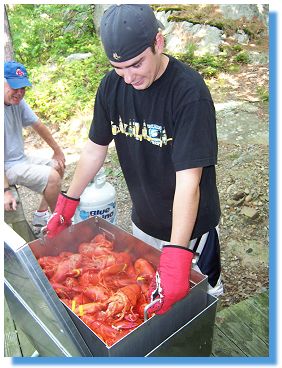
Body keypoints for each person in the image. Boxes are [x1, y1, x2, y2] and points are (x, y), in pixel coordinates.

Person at [47, 4, 223, 314]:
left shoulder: (189, 93)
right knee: (146, 305)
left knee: (201, 303)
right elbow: (93, 149)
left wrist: (177, 254)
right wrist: (68, 202)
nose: (128, 78)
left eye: (137, 64)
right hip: (144, 224)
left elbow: (189, 182)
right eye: (119, 68)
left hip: (191, 232)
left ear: (158, 43)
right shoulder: (111, 87)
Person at [4, 61, 66, 236]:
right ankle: (60, 226)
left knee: (57, 165)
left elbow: (37, 124)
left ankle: (41, 216)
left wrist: (58, 150)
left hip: (19, 159)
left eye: (23, 87)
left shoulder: (17, 103)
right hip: (6, 166)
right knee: (52, 178)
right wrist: (5, 191)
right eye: (15, 87)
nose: (19, 92)